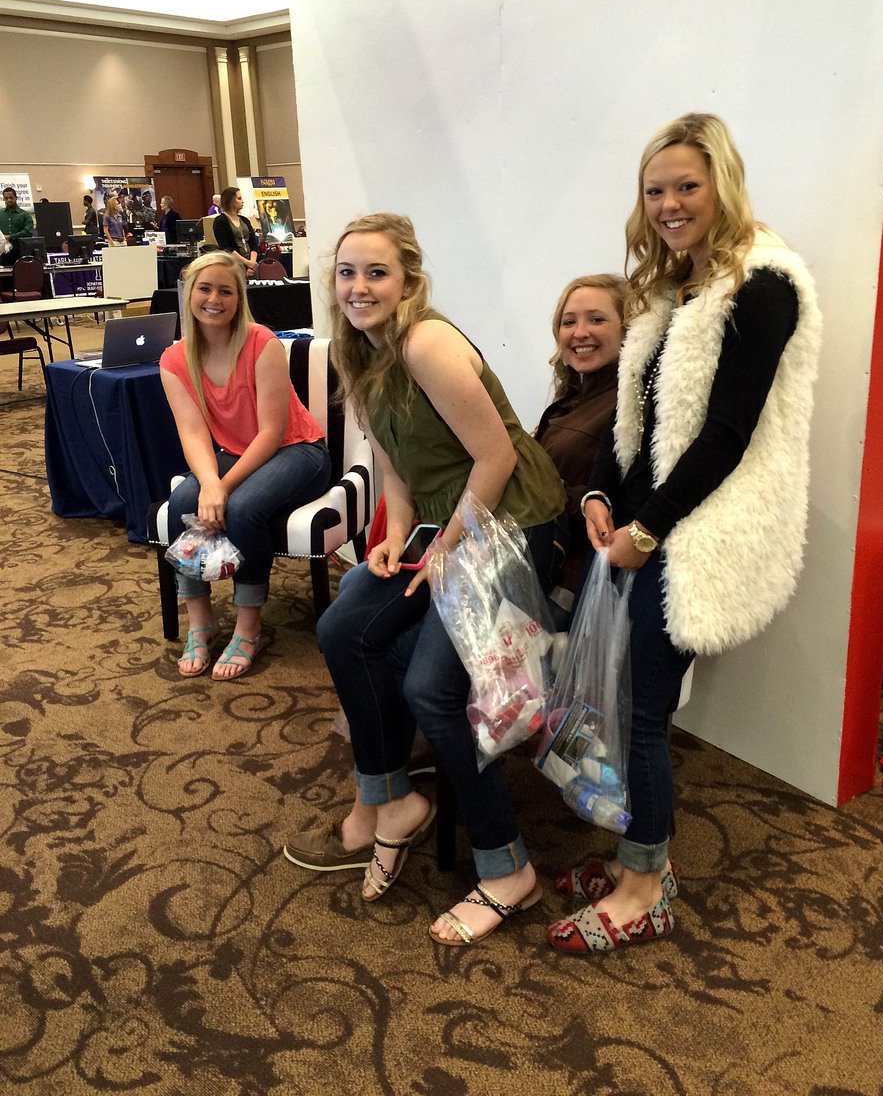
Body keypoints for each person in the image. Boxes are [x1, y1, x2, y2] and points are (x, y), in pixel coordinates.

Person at [548, 112, 822, 955]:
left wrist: (647, 530)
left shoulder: (762, 285)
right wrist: (602, 494)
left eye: (687, 187)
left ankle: (644, 886)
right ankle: (643, 862)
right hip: (656, 522)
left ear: (723, 185)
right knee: (631, 704)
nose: (669, 204)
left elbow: (726, 434)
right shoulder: (673, 290)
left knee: (643, 712)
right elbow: (642, 428)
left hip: (703, 531)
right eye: (656, 189)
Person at [287, 213, 565, 946]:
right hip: (449, 524)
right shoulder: (358, 350)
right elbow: (394, 462)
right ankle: (391, 798)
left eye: (376, 272)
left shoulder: (427, 343)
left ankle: (508, 870)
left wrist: (442, 549)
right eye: (346, 272)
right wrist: (391, 534)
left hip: (513, 521)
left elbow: (497, 460)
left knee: (431, 688)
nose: (359, 286)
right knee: (343, 628)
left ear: (409, 279)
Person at [159, 250, 332, 680]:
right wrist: (207, 483)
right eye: (205, 288)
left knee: (239, 508)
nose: (214, 298)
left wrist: (222, 486)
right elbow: (194, 434)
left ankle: (248, 626)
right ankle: (200, 622)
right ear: (189, 294)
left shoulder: (261, 343)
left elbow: (272, 432)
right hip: (236, 453)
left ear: (239, 298)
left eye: (226, 290)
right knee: (183, 498)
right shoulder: (174, 359)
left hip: (298, 450)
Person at [535, 274, 627, 625]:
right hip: (537, 571)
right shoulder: (571, 399)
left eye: (597, 319)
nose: (580, 332)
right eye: (569, 321)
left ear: (626, 329)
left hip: (567, 587)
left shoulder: (627, 405)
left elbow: (621, 496)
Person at [213, 187, 259, 277]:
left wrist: (251, 264)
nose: (242, 201)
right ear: (230, 201)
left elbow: (253, 243)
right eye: (239, 198)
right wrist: (246, 262)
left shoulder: (245, 220)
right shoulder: (220, 221)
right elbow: (225, 247)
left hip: (251, 265)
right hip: (233, 265)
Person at [0, 187, 35, 265]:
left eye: (11, 197)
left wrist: (11, 236)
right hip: (2, 253)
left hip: (20, 251)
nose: (9, 200)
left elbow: (28, 232)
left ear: (16, 198)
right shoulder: (0, 214)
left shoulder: (25, 215)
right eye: (6, 198)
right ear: (4, 199)